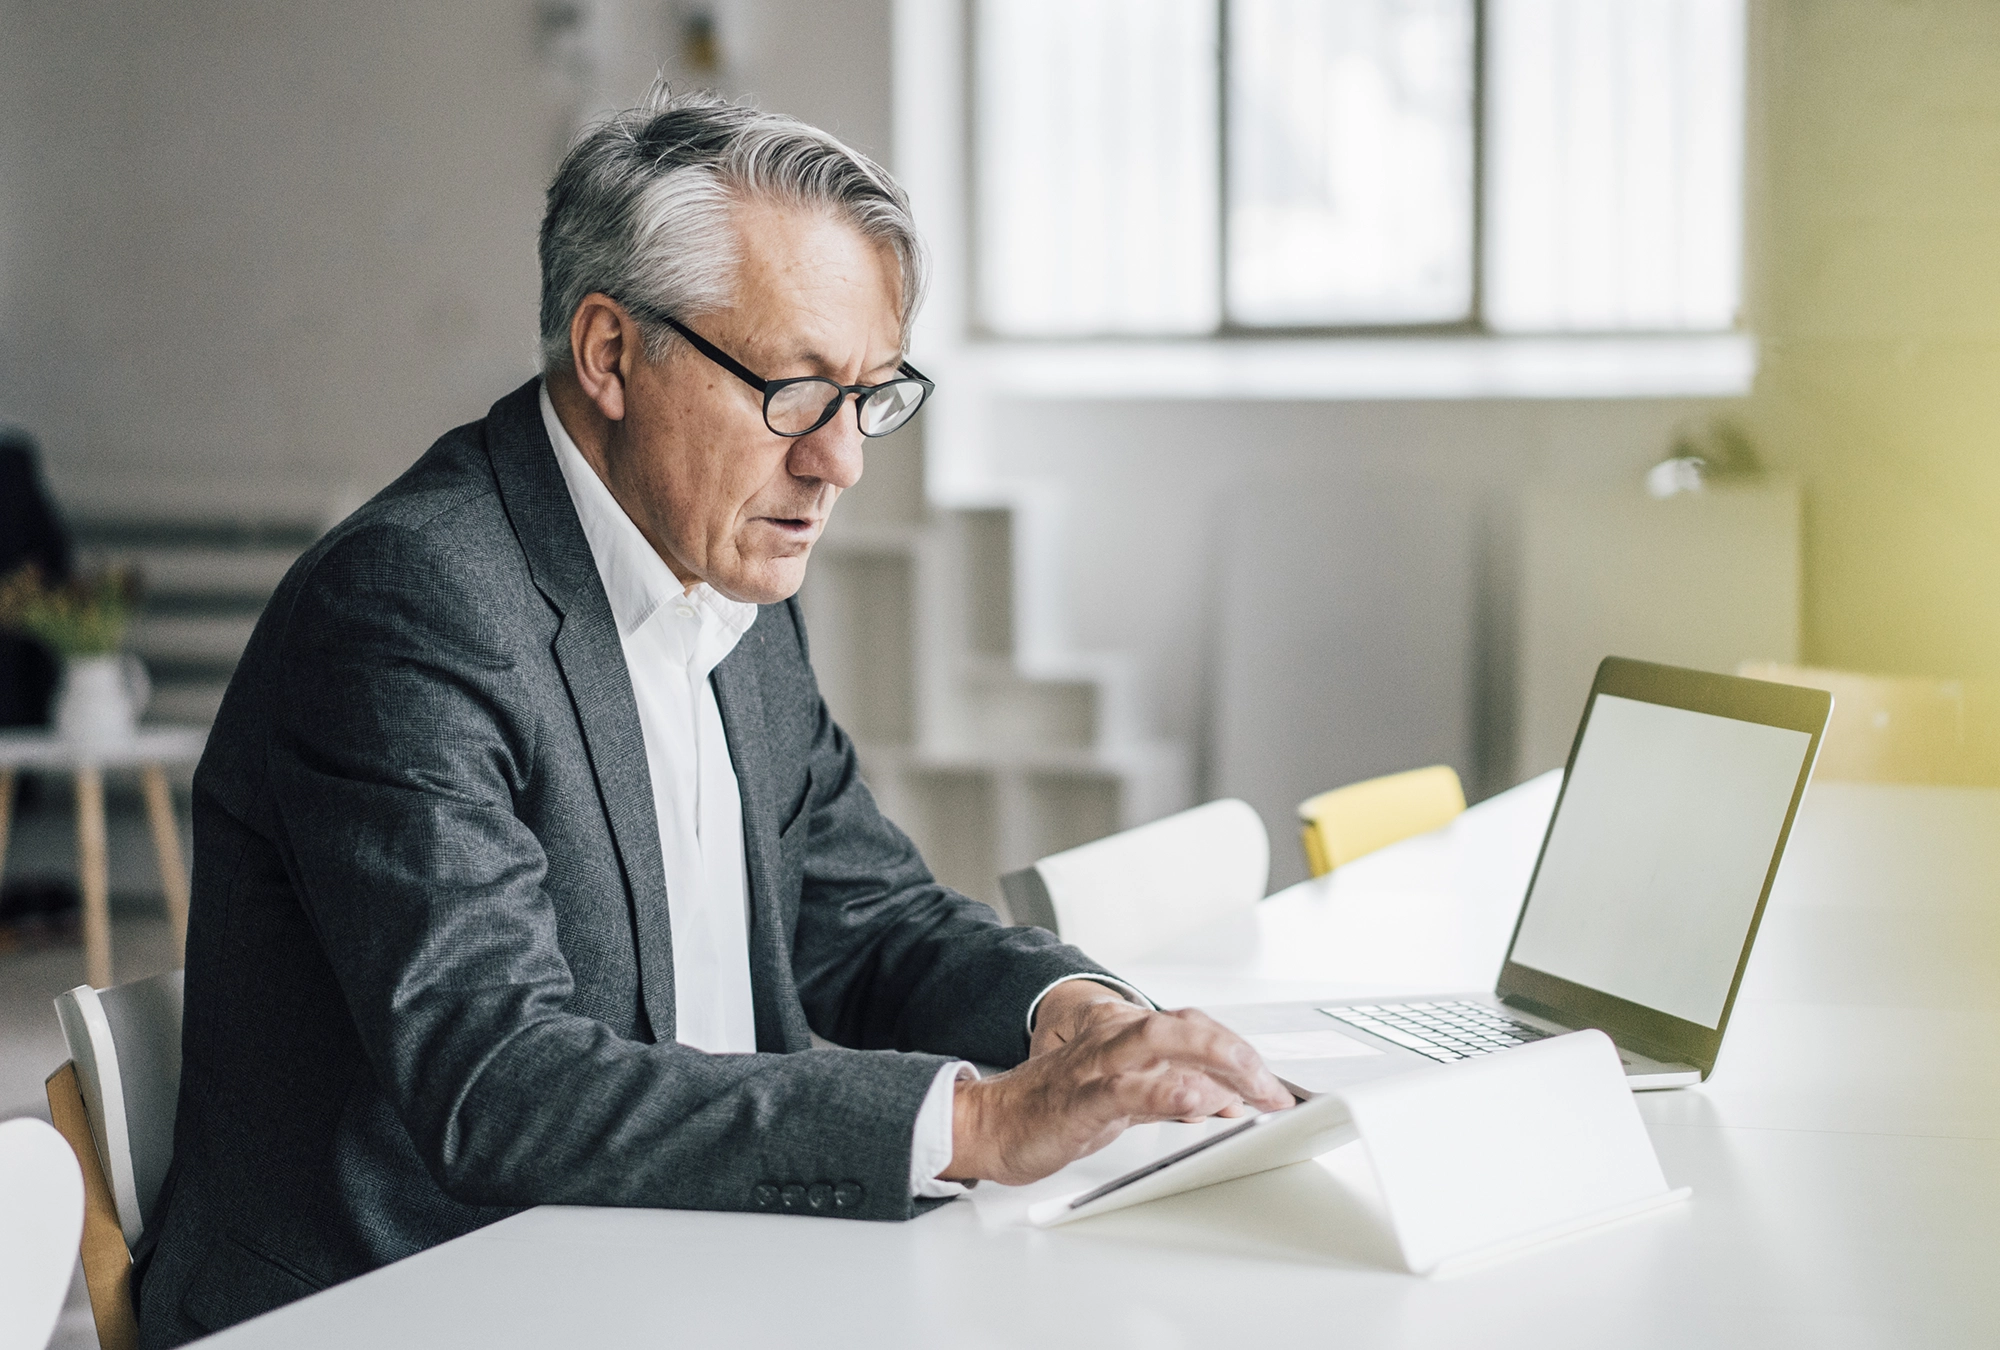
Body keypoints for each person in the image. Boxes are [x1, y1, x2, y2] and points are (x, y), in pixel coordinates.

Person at [134, 85, 1289, 1347]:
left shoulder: (723, 572)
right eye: (793, 390)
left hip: (679, 1258)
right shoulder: (409, 605)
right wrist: (973, 1124)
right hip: (409, 1297)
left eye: (869, 395)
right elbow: (498, 1084)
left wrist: (1066, 1015)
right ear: (610, 354)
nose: (839, 460)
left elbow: (860, 919)